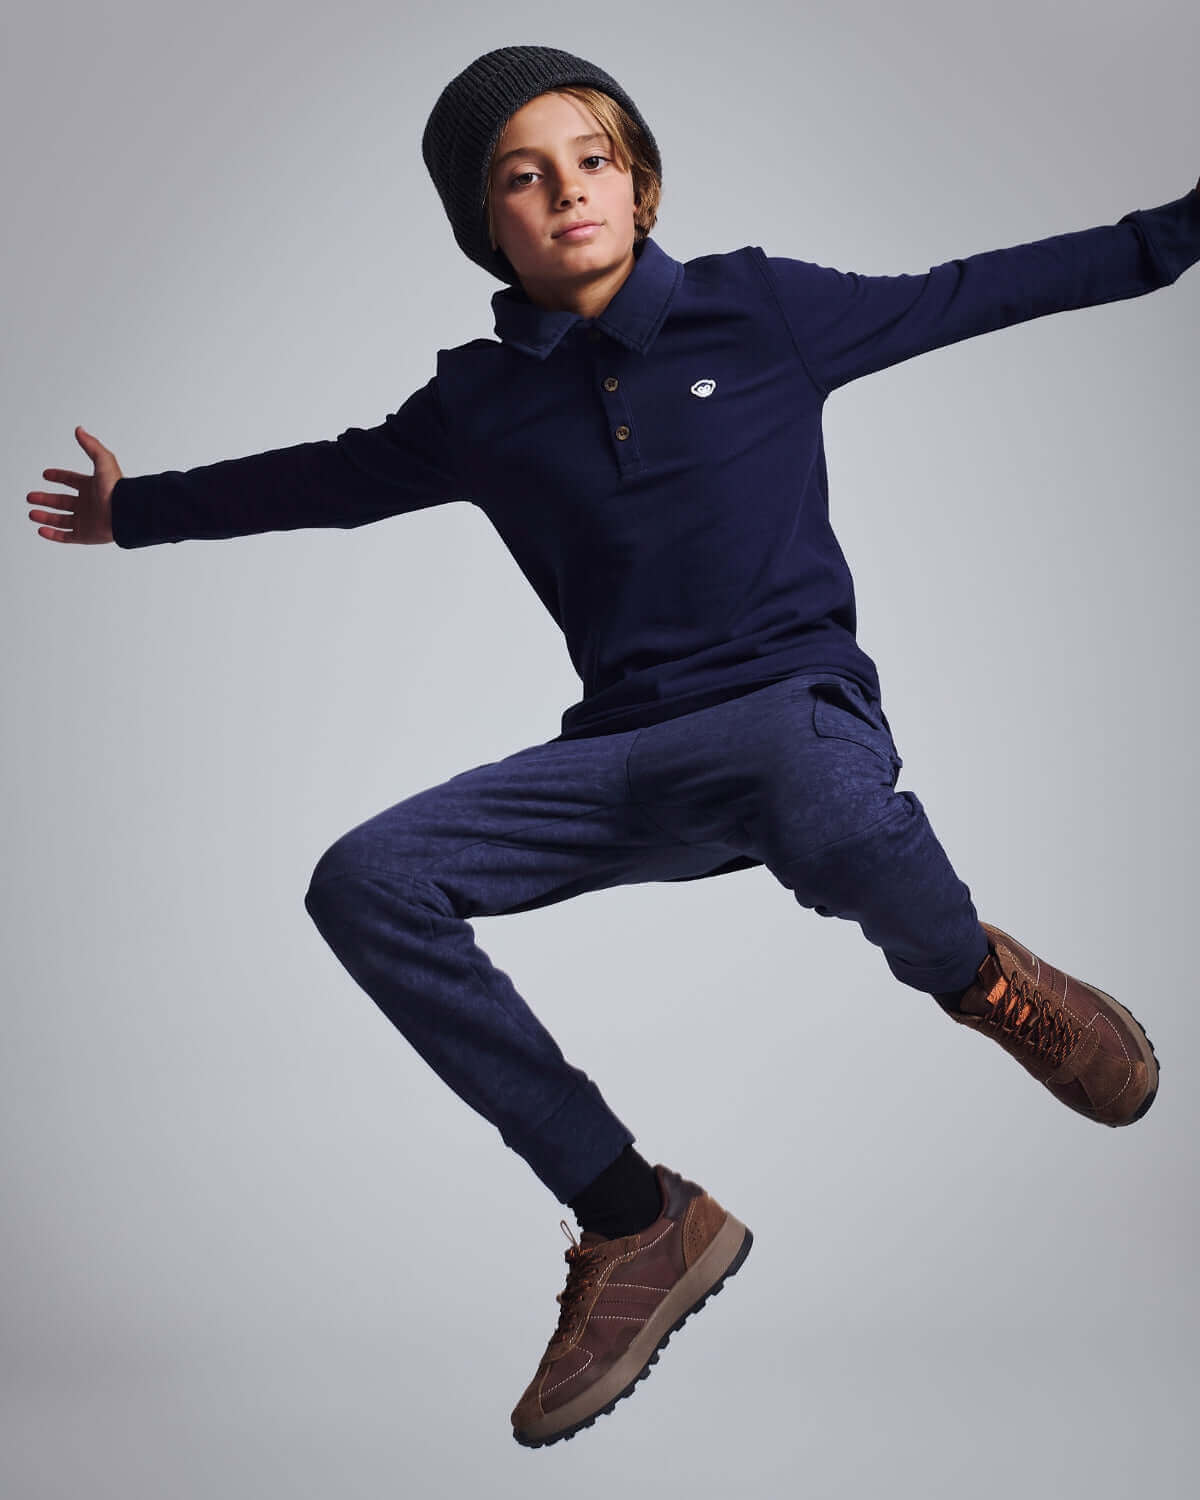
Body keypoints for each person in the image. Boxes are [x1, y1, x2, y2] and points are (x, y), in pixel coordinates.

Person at [28, 43, 1196, 1450]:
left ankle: (980, 979)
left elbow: (981, 288)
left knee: (819, 794)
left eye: (592, 160)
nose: (567, 191)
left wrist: (1178, 231)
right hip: (630, 757)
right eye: (524, 178)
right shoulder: (478, 405)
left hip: (795, 712)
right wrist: (135, 512)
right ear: (487, 226)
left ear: (638, 183)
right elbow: (329, 479)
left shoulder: (760, 309)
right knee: (365, 879)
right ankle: (635, 1218)